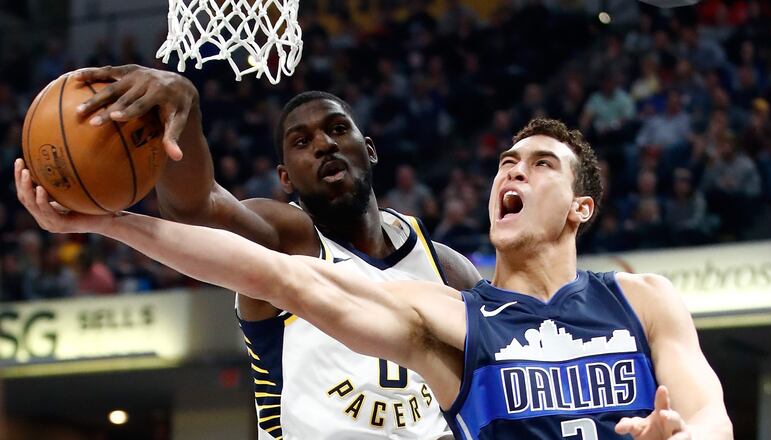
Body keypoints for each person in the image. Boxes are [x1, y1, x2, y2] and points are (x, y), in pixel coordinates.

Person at [15, 117, 732, 439]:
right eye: (506, 163)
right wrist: (110, 224)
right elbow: (277, 274)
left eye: (540, 164)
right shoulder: (451, 318)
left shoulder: (642, 300)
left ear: (581, 207)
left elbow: (713, 417)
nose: (513, 173)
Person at [69, 65, 481, 439]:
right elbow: (195, 209)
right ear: (285, 178)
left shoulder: (447, 268)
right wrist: (183, 106)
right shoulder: (285, 242)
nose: (324, 144)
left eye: (338, 129)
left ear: (369, 149)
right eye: (302, 141)